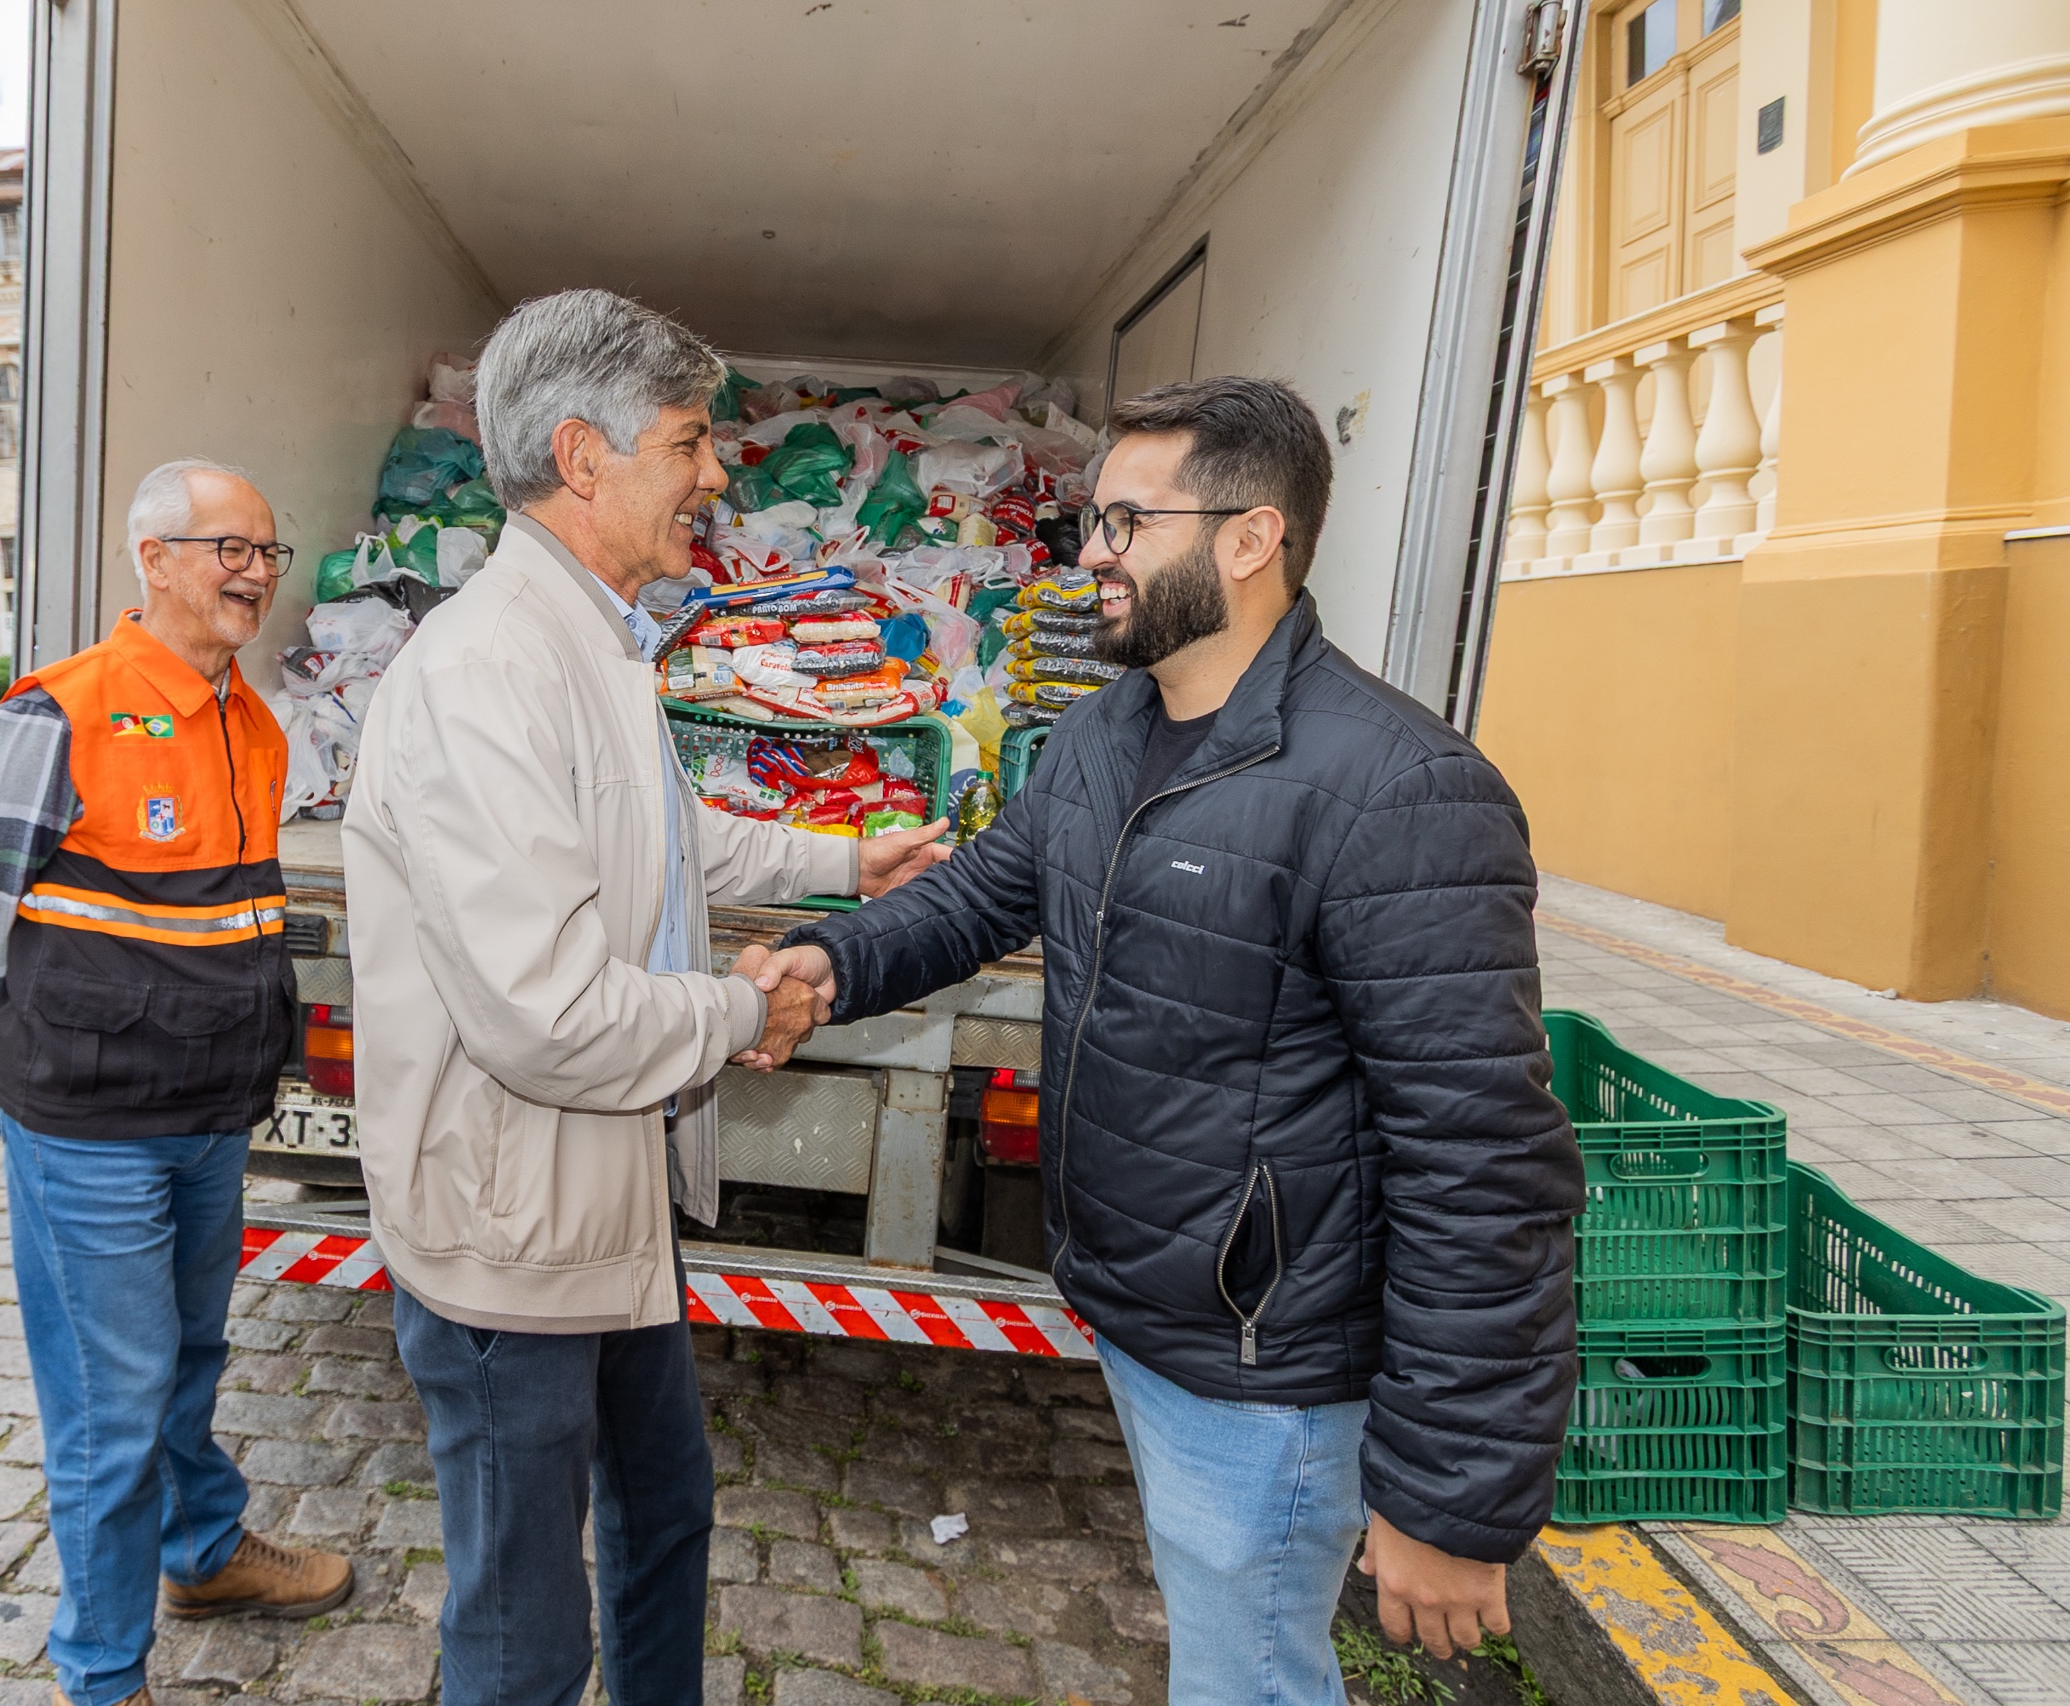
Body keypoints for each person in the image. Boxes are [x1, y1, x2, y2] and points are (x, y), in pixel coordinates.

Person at [738, 378, 1584, 1706]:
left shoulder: (1400, 789)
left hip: (1265, 1368)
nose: (1092, 551)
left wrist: (1452, 1496)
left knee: (1245, 1680)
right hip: (1139, 1306)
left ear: (1249, 538)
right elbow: (982, 896)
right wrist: (830, 963)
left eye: (1128, 521)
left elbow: (1482, 1160)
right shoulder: (1104, 731)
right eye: (1095, 520)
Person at [340, 289, 948, 1706]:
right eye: (688, 441)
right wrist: (742, 1011)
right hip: (513, 1235)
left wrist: (841, 859)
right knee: (525, 1635)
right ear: (583, 455)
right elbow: (545, 1014)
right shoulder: (488, 672)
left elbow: (665, 833)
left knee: (667, 1514)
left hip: (604, 1199)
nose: (716, 473)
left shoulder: (595, 638)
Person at [0, 459, 355, 1706]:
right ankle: (102, 1672)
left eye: (266, 552)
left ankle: (203, 1553)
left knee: (189, 1352)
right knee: (110, 1407)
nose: (255, 572)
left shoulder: (252, 721)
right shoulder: (59, 712)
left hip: (211, 1111)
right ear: (153, 558)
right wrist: (45, 1033)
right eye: (229, 547)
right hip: (91, 1124)